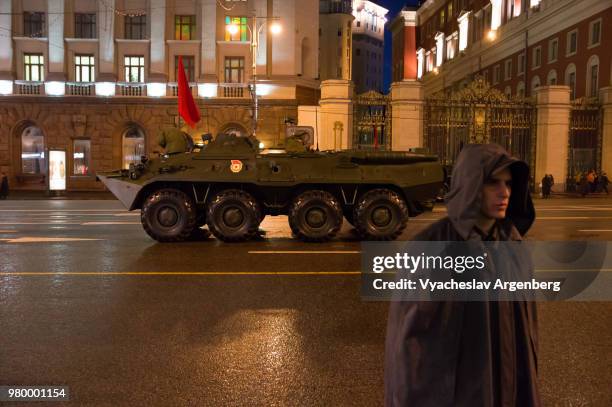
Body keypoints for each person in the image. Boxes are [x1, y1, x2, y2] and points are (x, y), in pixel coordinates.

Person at [385, 144, 540, 406]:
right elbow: (409, 348)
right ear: (471, 185)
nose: (505, 192)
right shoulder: (431, 248)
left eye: (509, 183)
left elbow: (527, 334)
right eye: (493, 182)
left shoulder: (514, 246)